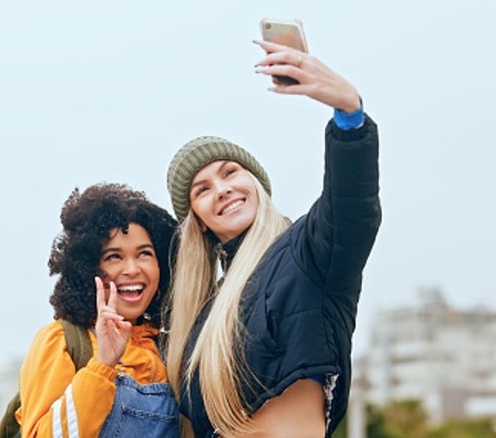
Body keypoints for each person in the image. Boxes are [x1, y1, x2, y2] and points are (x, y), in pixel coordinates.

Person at [162, 38, 381, 438]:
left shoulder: (306, 252)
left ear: (255, 182)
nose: (222, 189)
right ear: (199, 221)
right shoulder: (202, 319)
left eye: (230, 172)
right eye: (202, 189)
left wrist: (350, 118)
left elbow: (352, 209)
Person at [15, 183, 179, 438]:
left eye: (145, 254)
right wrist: (103, 364)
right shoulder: (62, 342)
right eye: (114, 257)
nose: (133, 269)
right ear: (86, 270)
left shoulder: (170, 350)